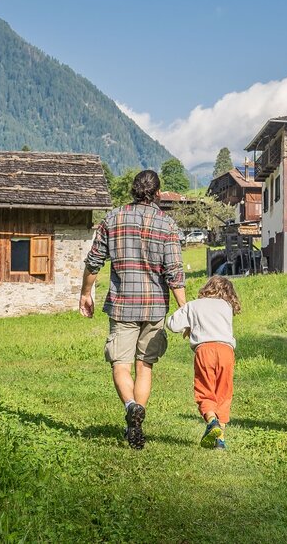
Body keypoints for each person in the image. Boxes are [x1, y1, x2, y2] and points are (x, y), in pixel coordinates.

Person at [81, 169, 187, 450]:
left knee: (120, 364)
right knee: (145, 366)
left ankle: (130, 407)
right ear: (158, 193)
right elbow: (174, 274)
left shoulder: (112, 218)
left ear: (132, 190)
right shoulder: (167, 225)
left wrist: (85, 294)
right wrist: (185, 312)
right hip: (154, 308)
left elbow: (93, 262)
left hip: (122, 304)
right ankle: (136, 417)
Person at [166, 275, 240, 450]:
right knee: (224, 393)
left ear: (208, 287)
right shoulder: (226, 306)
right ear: (229, 293)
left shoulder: (194, 305)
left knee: (205, 390)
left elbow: (172, 324)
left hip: (205, 350)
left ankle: (212, 421)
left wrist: (188, 325)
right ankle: (219, 440)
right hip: (226, 351)